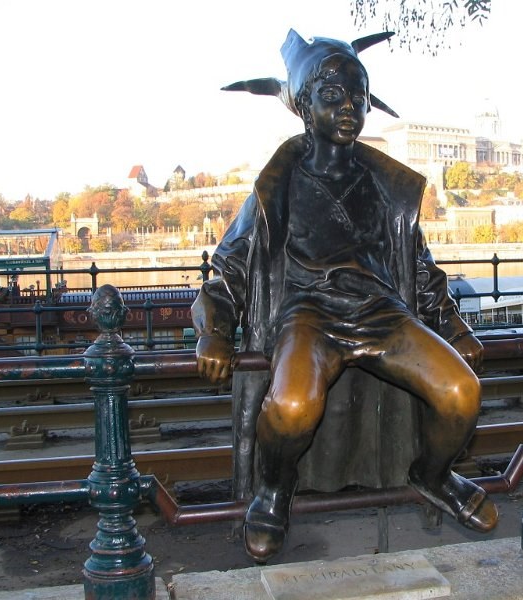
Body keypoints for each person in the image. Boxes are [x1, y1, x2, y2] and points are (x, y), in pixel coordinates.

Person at [191, 29, 497, 563]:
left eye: (358, 95)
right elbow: (230, 268)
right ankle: (273, 491)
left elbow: (421, 268)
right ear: (304, 105)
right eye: (332, 95)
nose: (349, 107)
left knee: (460, 392)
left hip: (382, 314)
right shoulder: (274, 187)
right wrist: (214, 332)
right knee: (291, 404)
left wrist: (453, 326)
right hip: (308, 315)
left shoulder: (386, 187)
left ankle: (433, 475)